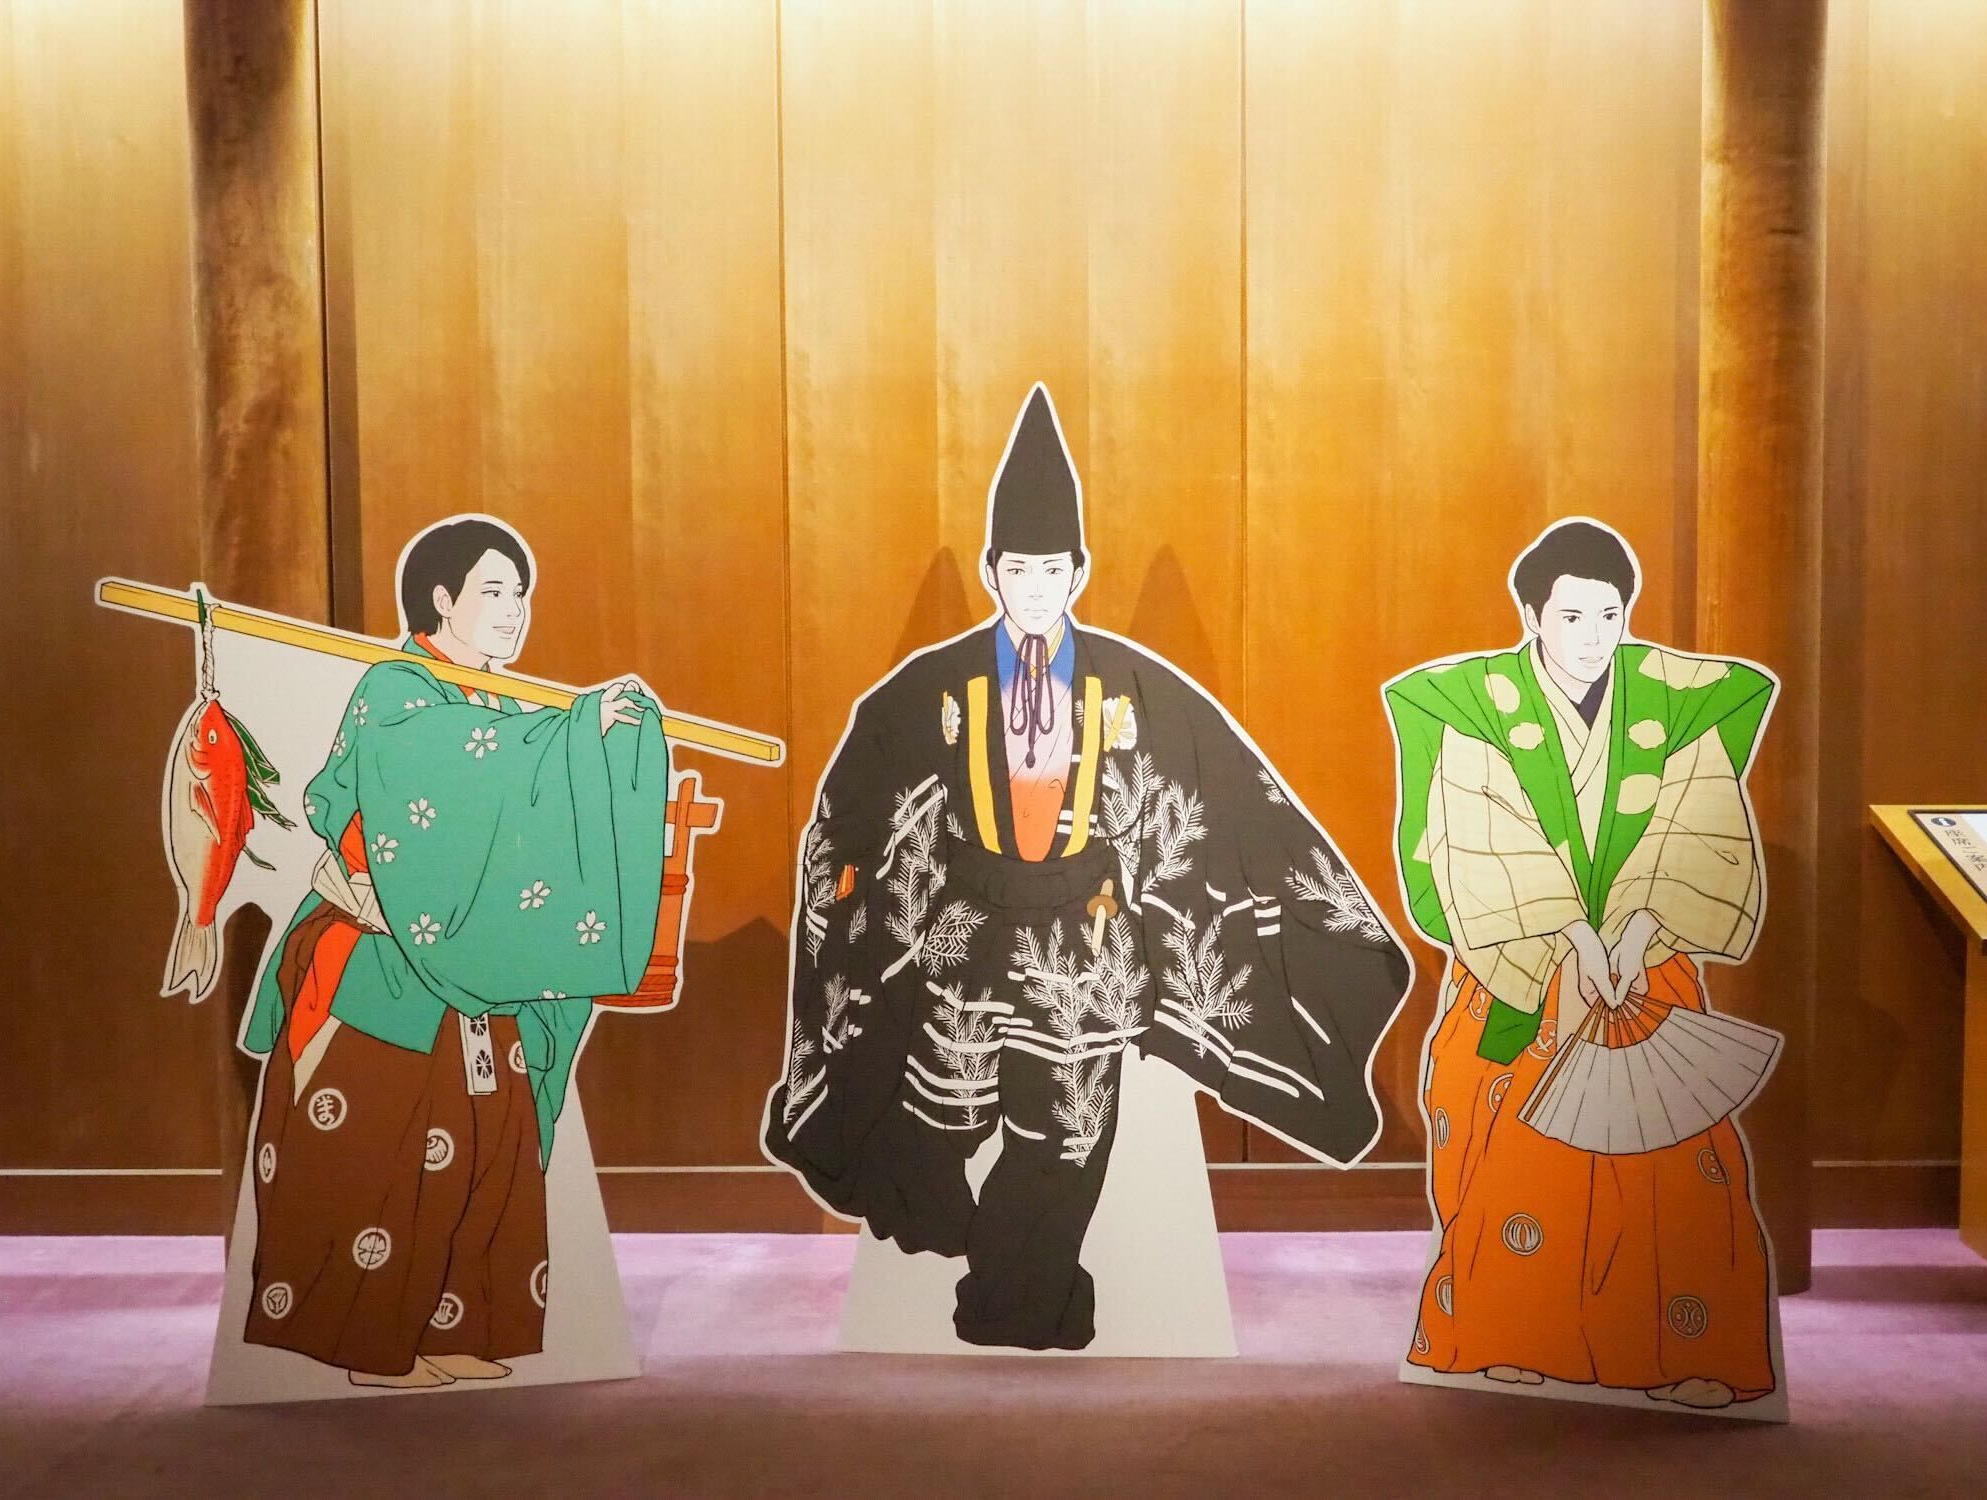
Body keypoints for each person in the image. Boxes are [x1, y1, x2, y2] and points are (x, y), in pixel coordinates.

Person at [763, 385, 1411, 1350]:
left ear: (1080, 572)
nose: (1034, 587)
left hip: (1085, 946)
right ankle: (937, 1218)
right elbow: (856, 807)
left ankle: (1017, 1305)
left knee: (1065, 1140)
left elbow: (1225, 789)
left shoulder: (1133, 683)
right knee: (933, 1122)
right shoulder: (931, 685)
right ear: (992, 570)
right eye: (1017, 569)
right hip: (965, 938)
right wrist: (860, 883)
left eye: (1052, 569)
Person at [239, 516, 669, 1388]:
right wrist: (571, 732)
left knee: (486, 1147)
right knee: (386, 1150)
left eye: (522, 593)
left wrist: (600, 739)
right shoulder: (397, 692)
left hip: (479, 971)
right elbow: (449, 774)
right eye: (495, 591)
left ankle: (452, 1328)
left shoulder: (503, 706)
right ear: (441, 597)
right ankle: (365, 1342)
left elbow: (529, 801)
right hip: (383, 964)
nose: (515, 610)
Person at [1386, 518, 1780, 1409]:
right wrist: (1572, 935)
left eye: (1610, 616)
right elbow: (1478, 844)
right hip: (1523, 966)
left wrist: (1636, 934)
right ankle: (1517, 1338)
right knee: (1519, 1150)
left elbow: (1696, 829)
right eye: (1571, 617)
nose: (1593, 637)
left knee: (1676, 1157)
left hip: (1645, 969)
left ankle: (1684, 1356)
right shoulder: (1481, 707)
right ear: (1532, 615)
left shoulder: (1671, 703)